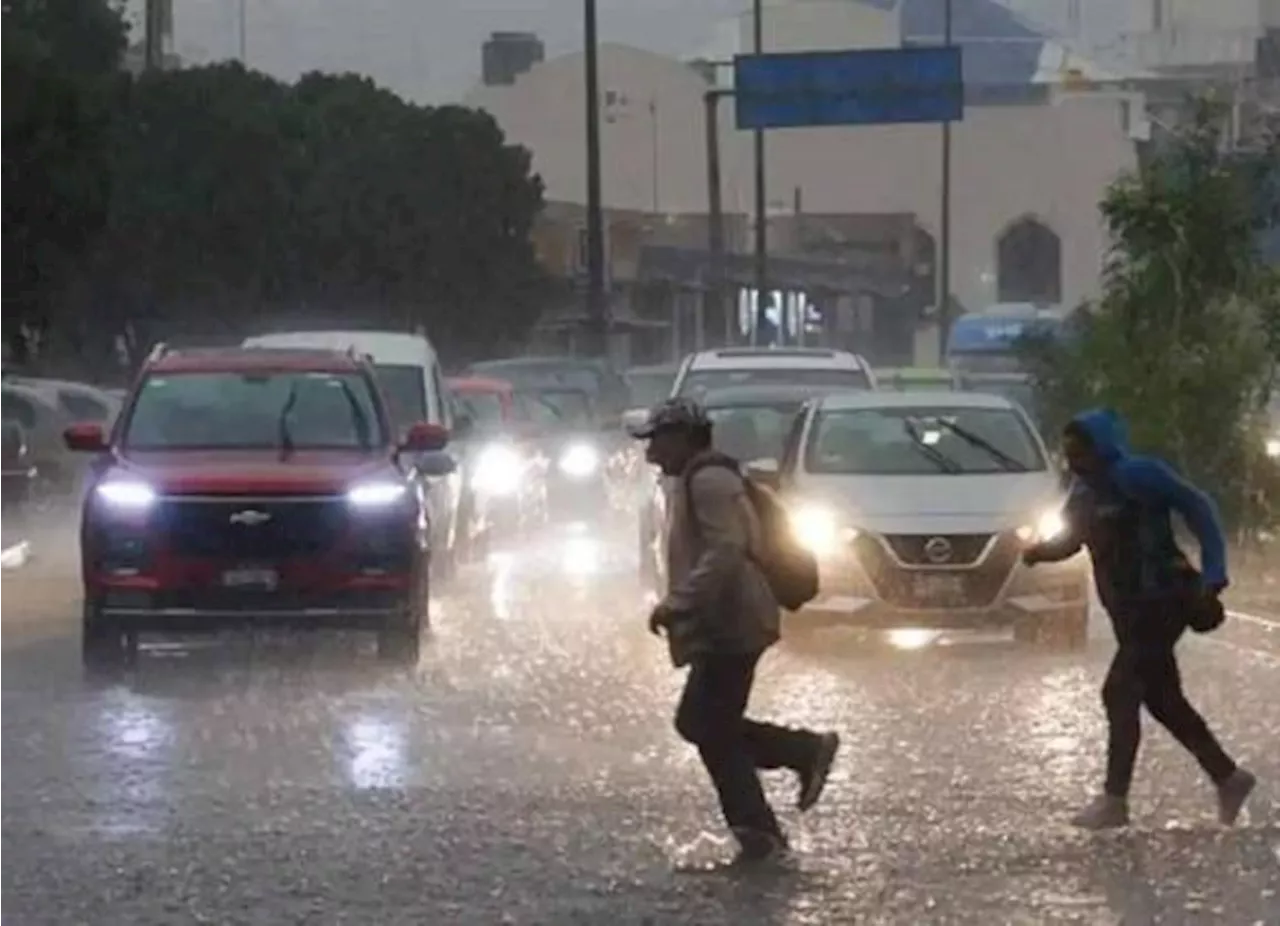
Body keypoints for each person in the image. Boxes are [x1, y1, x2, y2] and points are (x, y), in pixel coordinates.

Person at [1023, 408, 1256, 830]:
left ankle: (1115, 800)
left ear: (1102, 447)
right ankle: (1227, 776)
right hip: (1128, 610)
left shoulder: (1139, 476)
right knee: (1163, 698)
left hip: (1165, 599)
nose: (1075, 460)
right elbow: (1072, 539)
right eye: (1070, 453)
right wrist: (1039, 553)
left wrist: (1215, 572)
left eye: (1083, 451)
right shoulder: (1083, 493)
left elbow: (1199, 508)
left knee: (1119, 691)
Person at [629, 398, 840, 863]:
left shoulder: (709, 480)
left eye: (657, 442)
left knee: (705, 724)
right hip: (725, 619)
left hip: (733, 620)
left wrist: (679, 604)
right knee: (707, 724)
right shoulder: (702, 478)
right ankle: (760, 823)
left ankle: (792, 769)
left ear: (684, 437)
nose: (650, 454)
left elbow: (727, 550)